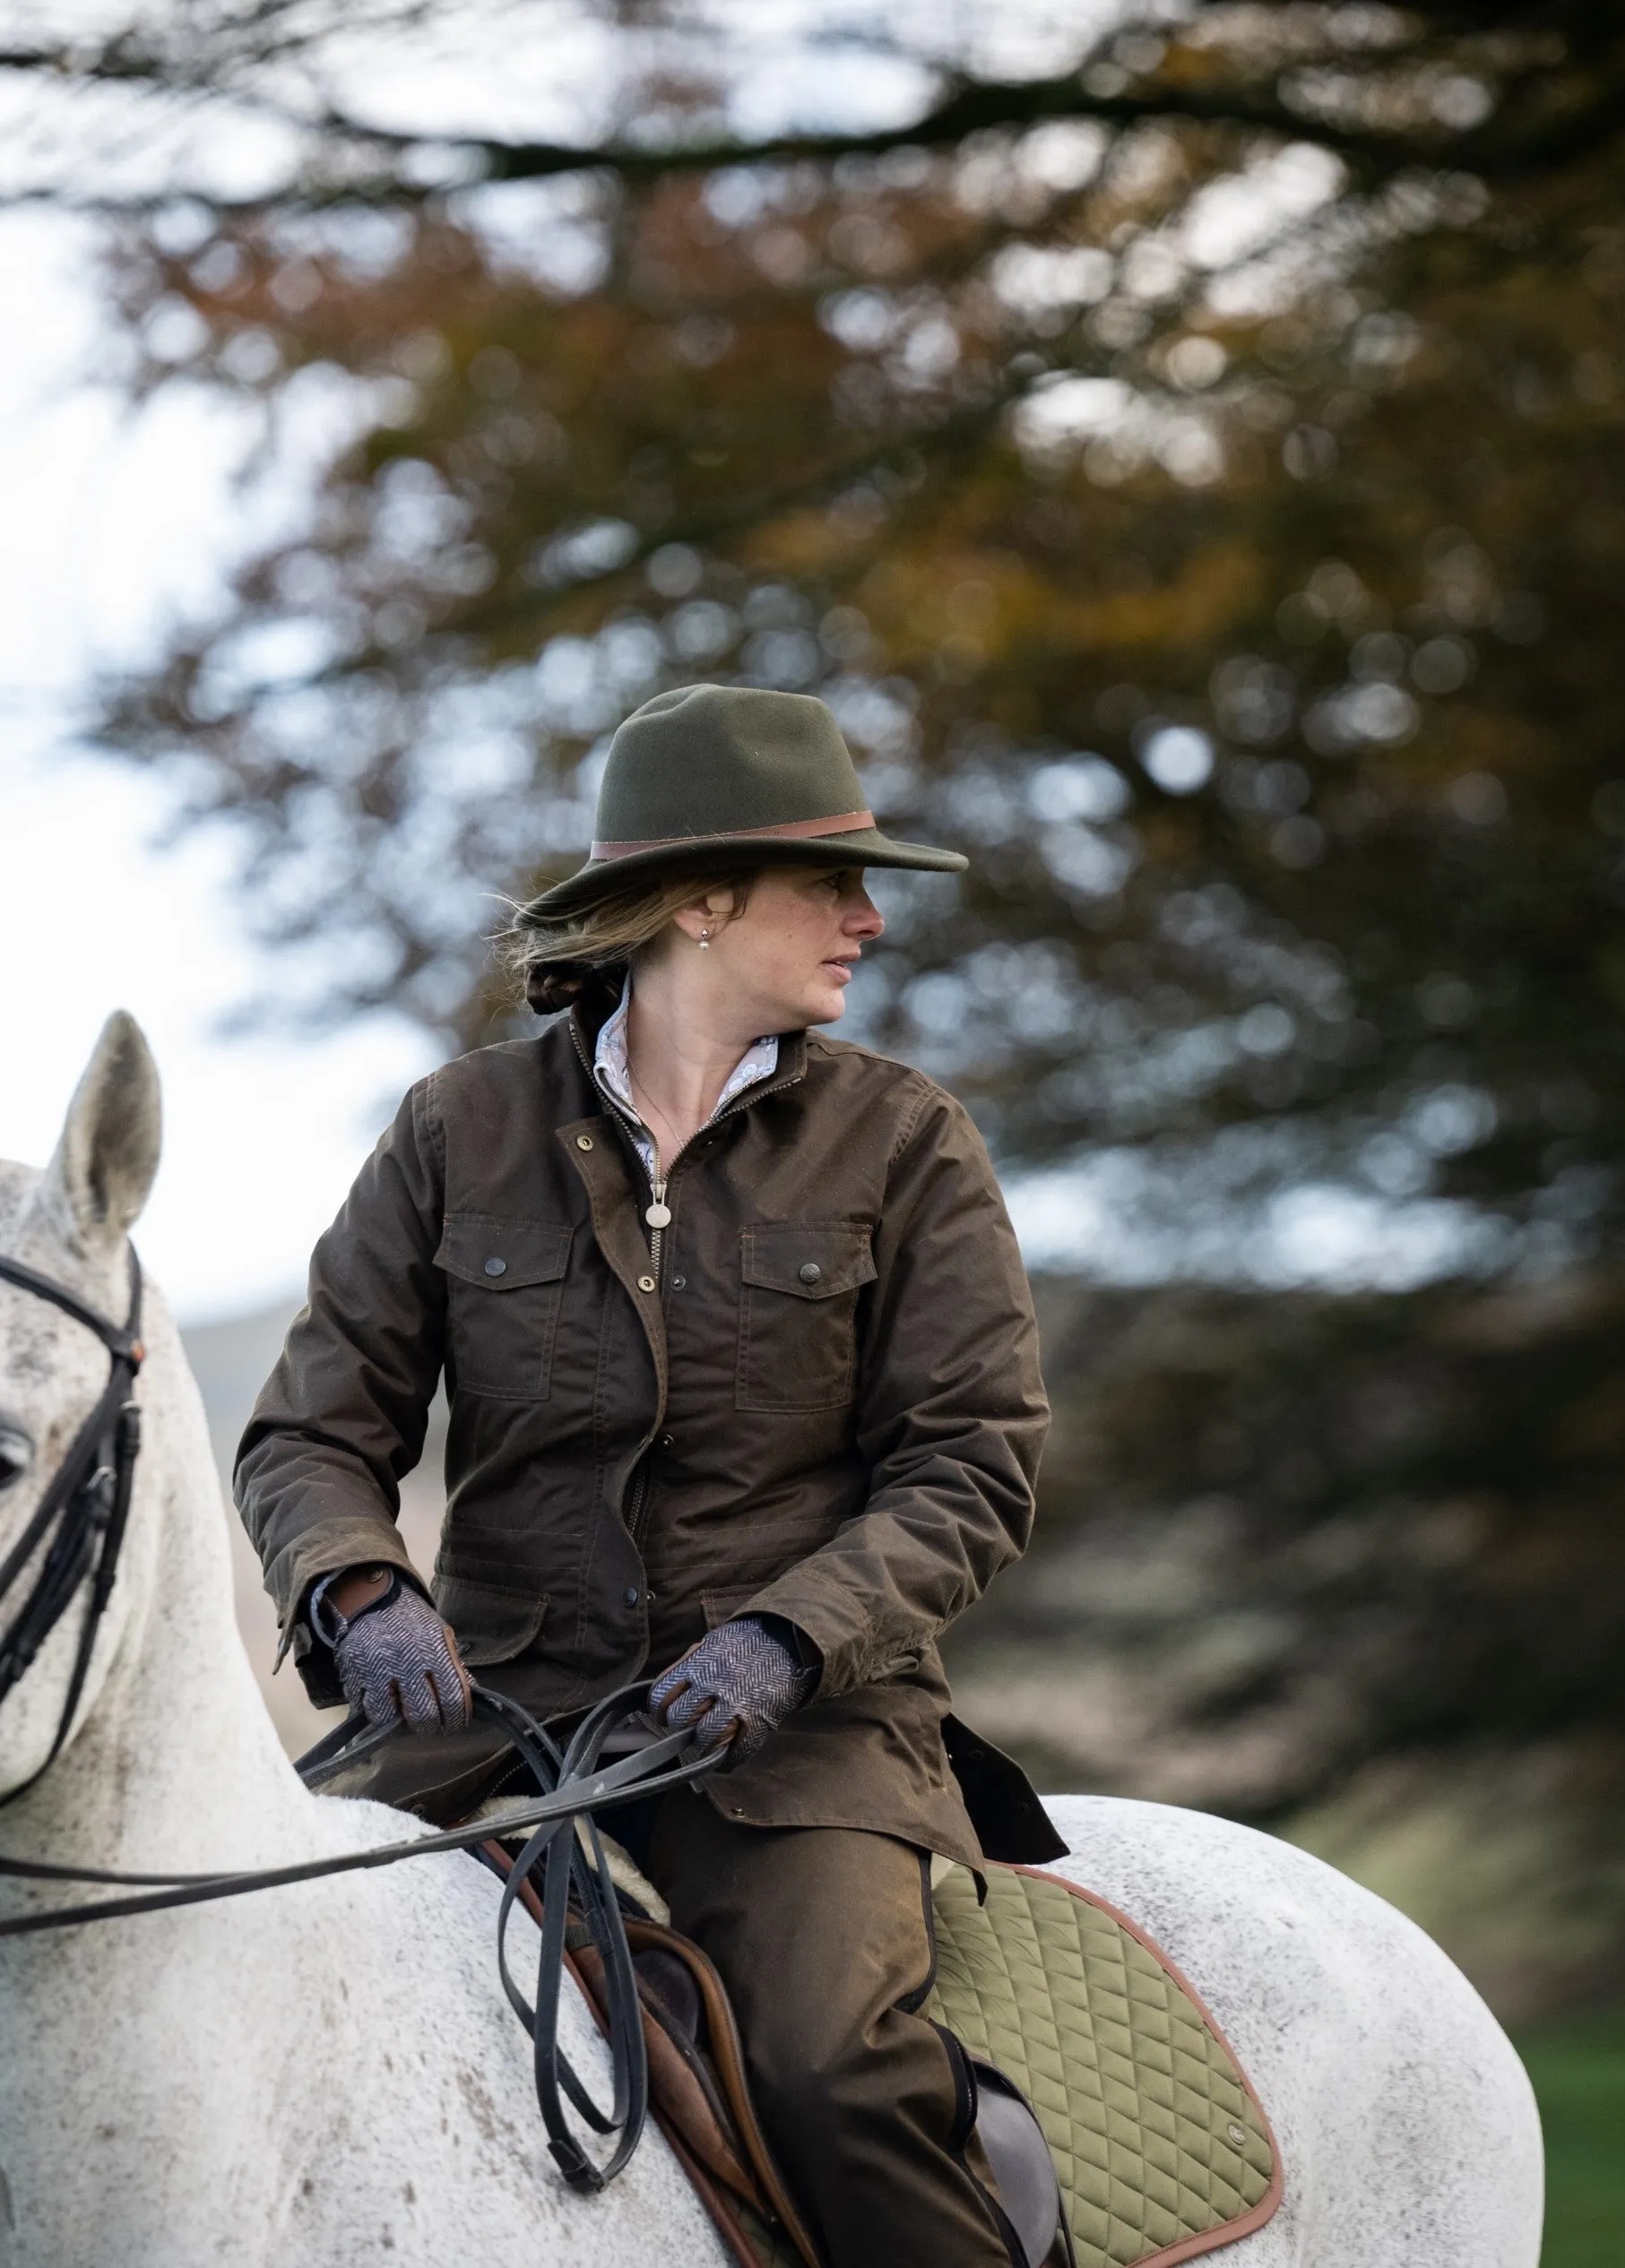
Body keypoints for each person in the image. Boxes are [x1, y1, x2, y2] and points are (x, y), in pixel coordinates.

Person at [236, 681, 1059, 2268]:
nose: (868, 921)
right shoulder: (454, 1128)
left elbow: (970, 1463)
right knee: (210, 1957)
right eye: (833, 882)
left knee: (830, 2071)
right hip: (481, 1710)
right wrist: (358, 1589)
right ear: (698, 900)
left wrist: (790, 1638)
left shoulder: (908, 1144)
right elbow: (313, 1430)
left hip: (793, 1734)